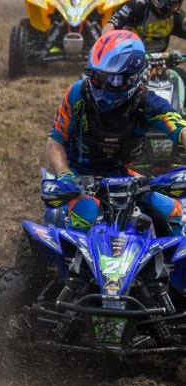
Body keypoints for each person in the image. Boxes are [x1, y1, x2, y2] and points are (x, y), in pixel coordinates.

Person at [46, 30, 186, 234]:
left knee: (172, 212)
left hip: (123, 177)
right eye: (96, 76)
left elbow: (179, 127)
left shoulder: (147, 103)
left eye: (111, 80)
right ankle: (72, 263)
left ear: (132, 79)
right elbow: (55, 141)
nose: (99, 85)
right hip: (78, 174)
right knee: (87, 211)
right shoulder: (78, 93)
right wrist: (64, 174)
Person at [106, 0, 186, 54]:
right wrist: (107, 46)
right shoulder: (138, 4)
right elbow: (110, 26)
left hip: (158, 64)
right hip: (128, 57)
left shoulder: (177, 16)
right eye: (173, 6)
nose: (174, 9)